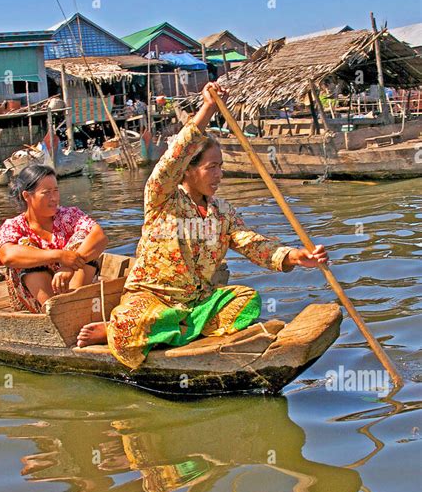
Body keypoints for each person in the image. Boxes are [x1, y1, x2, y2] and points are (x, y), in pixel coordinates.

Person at [77, 83, 328, 368]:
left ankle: (176, 331)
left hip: (197, 303)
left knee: (248, 300)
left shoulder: (223, 212)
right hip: (153, 300)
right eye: (211, 167)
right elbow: (172, 159)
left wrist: (295, 256)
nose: (219, 175)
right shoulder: (162, 198)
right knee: (126, 330)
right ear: (187, 170)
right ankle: (127, 330)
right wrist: (208, 108)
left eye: (221, 166)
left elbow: (253, 244)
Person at [0, 164, 107, 313]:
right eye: (46, 192)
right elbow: (7, 256)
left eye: (56, 190)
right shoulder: (14, 225)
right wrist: (59, 256)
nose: (54, 198)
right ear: (27, 196)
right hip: (38, 302)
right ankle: (56, 311)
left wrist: (69, 266)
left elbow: (99, 236)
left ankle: (70, 306)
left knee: (83, 238)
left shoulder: (69, 215)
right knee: (24, 247)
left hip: (76, 290)